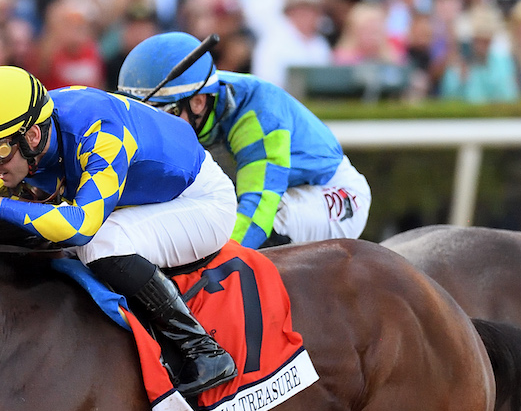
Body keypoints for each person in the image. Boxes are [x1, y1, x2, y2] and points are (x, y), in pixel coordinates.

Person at [0, 65, 237, 396]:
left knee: (99, 244)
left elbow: (81, 227)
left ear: (32, 136)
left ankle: (204, 350)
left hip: (202, 203)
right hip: (145, 200)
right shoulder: (35, 133)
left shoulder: (99, 131)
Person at [117, 31, 370, 250]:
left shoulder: (258, 115)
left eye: (163, 114)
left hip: (331, 193)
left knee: (261, 223)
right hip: (265, 192)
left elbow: (258, 208)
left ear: (197, 101)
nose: (155, 127)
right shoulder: (198, 99)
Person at [250, 0, 332, 88]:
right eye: (302, 10)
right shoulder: (272, 43)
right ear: (290, 12)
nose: (308, 16)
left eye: (312, 11)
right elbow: (266, 84)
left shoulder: (320, 43)